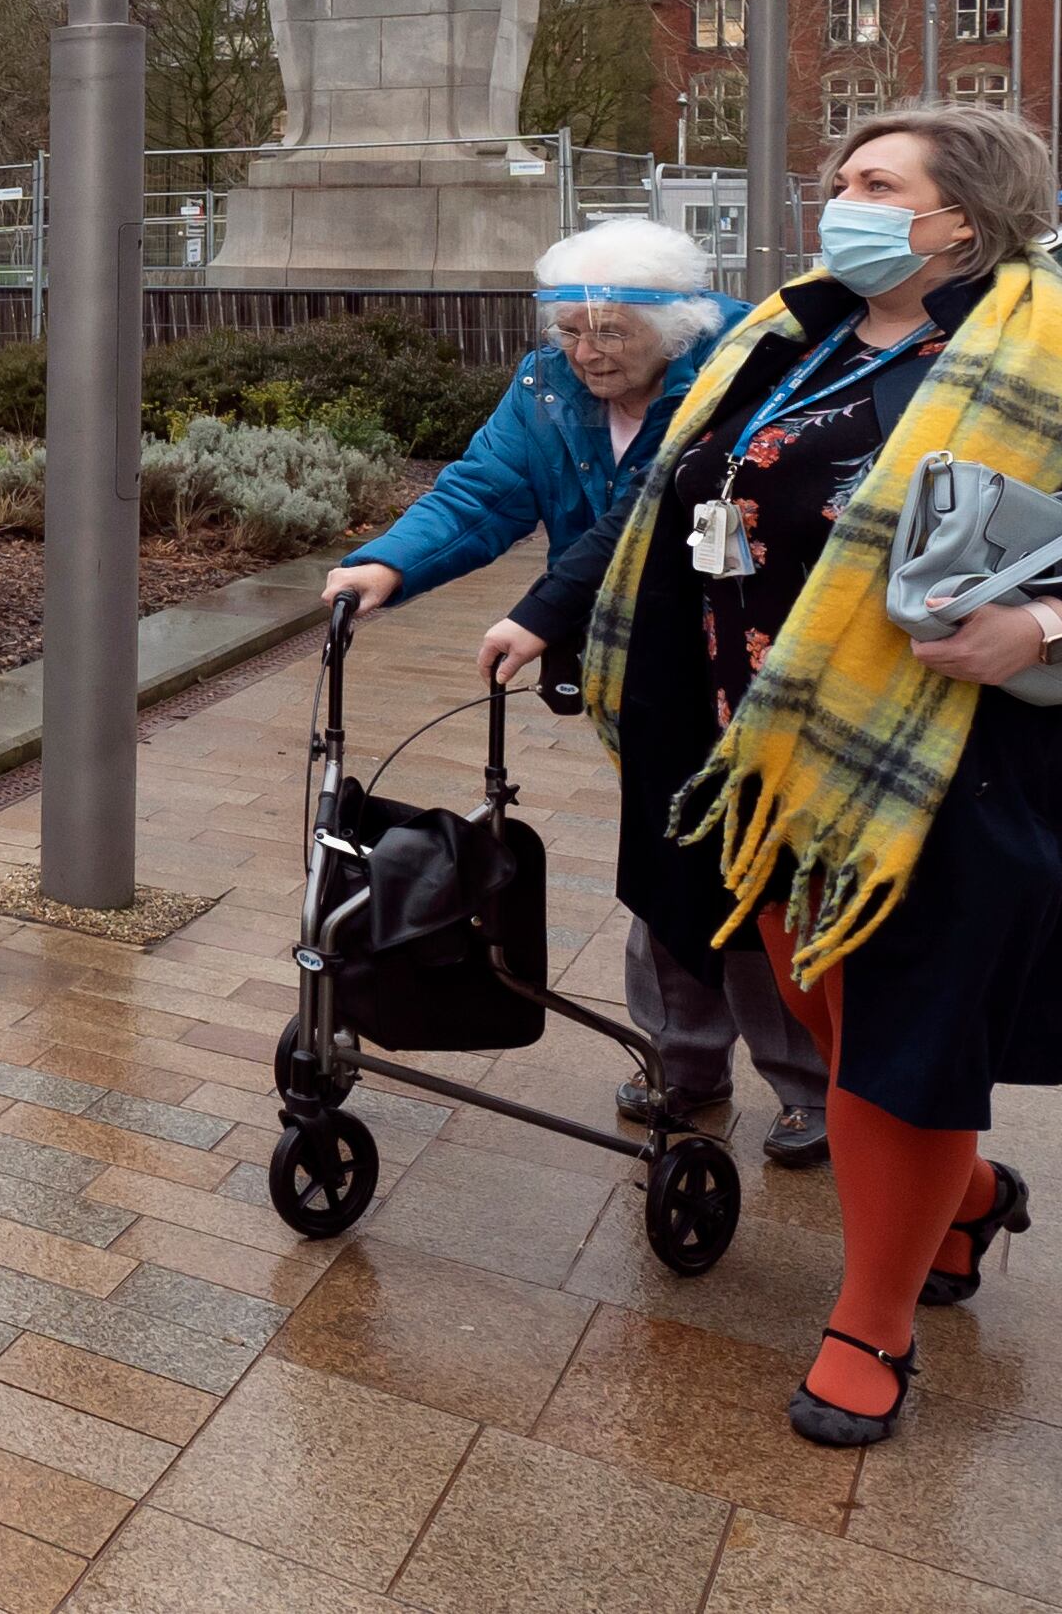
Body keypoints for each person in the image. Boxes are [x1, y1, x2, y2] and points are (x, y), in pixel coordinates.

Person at [479, 108, 1062, 1448]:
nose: (842, 203)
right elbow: (661, 502)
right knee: (829, 1012)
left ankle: (870, 1324)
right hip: (762, 763)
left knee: (902, 1044)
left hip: (954, 764)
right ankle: (966, 1195)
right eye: (837, 181)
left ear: (968, 215)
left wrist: (1049, 625)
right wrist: (548, 608)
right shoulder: (789, 334)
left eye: (878, 184)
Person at [322, 218, 830, 1168]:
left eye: (611, 334)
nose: (587, 353)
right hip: (633, 664)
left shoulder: (739, 375)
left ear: (674, 326)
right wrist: (387, 564)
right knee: (665, 859)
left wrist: (542, 613)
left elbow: (656, 515)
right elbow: (483, 490)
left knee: (761, 866)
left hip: (746, 659)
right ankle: (685, 1066)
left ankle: (810, 1084)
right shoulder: (548, 383)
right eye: (570, 332)